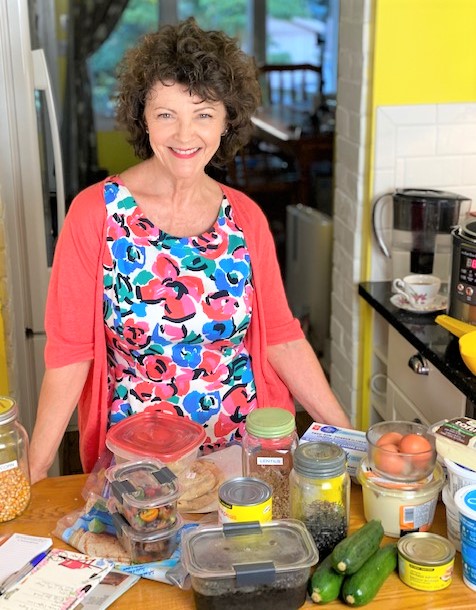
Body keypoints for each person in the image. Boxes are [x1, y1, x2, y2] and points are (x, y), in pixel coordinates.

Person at [29, 17, 351, 484]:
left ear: (227, 121)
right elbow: (71, 354)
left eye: (203, 114)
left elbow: (282, 337)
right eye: (167, 114)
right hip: (138, 468)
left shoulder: (245, 218)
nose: (185, 135)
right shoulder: (94, 214)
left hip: (244, 458)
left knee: (255, 556)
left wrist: (346, 436)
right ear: (143, 116)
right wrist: (35, 474)